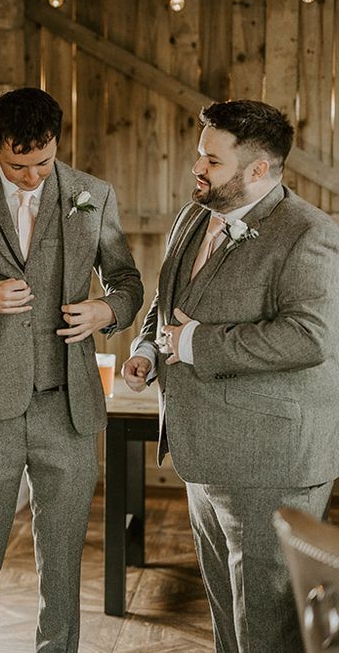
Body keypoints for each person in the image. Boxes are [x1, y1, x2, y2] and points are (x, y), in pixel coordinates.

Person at [0, 87, 143, 652]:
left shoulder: (92, 194)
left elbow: (127, 283)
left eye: (43, 163)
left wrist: (105, 310)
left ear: (56, 144)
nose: (32, 177)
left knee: (64, 564)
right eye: (18, 165)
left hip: (68, 406)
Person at [123, 99, 339, 652]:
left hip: (272, 460)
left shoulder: (308, 233)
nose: (198, 167)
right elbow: (167, 298)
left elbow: (309, 336)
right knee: (228, 616)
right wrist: (149, 344)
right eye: (200, 154)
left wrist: (190, 342)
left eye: (212, 161)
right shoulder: (194, 214)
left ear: (258, 170)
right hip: (203, 451)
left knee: (267, 627)